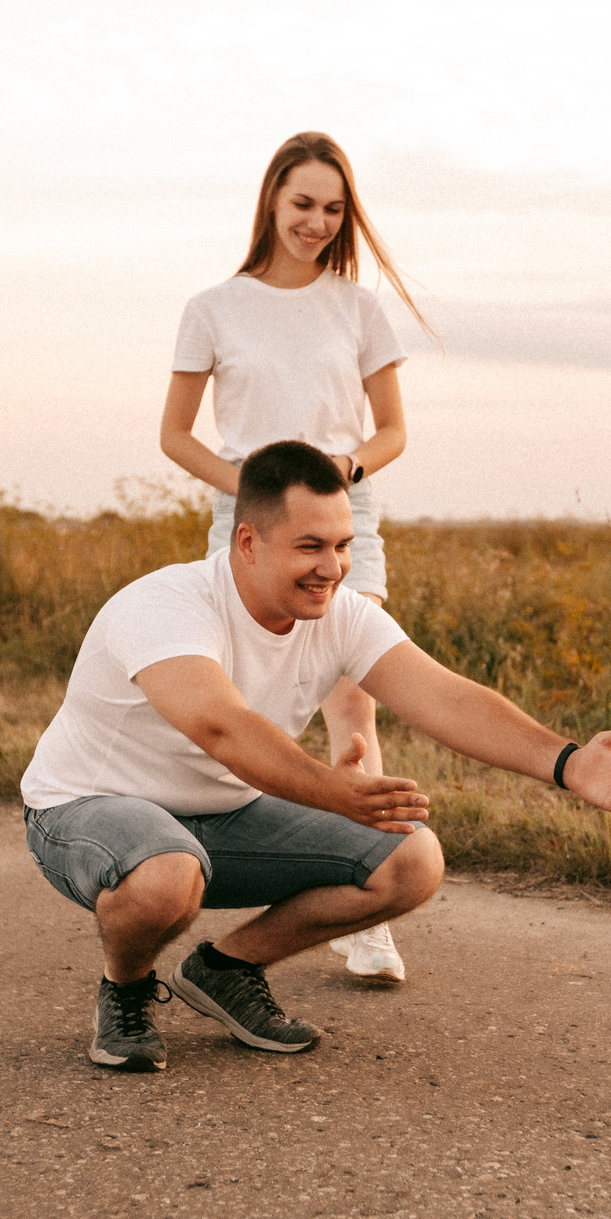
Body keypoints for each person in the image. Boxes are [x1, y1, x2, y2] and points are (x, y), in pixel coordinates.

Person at [21, 440, 611, 1073]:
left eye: (342, 546)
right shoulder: (167, 606)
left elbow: (446, 699)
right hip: (90, 810)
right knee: (167, 873)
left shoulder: (339, 613)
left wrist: (565, 761)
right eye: (310, 546)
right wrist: (328, 790)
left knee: (411, 857)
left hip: (221, 818)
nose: (332, 567)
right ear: (247, 541)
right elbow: (223, 728)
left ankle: (226, 969)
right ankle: (126, 988)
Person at [158, 131, 425, 983]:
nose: (317, 222)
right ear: (273, 199)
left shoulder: (357, 306)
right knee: (246, 707)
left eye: (333, 209)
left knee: (356, 701)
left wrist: (346, 468)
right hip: (246, 516)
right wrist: (244, 484)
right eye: (303, 203)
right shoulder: (212, 306)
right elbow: (172, 435)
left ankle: (366, 905)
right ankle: (204, 862)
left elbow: (393, 431)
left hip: (347, 511)